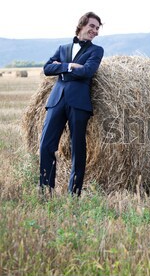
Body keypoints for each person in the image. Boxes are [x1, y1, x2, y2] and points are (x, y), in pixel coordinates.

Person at [39, 12, 104, 197]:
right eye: (92, 26)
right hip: (56, 100)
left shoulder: (96, 50)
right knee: (46, 145)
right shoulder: (62, 47)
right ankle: (45, 191)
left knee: (78, 148)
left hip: (79, 102)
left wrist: (61, 68)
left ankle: (73, 193)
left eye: (98, 28)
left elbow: (88, 71)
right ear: (82, 25)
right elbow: (46, 68)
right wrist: (70, 66)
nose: (95, 31)